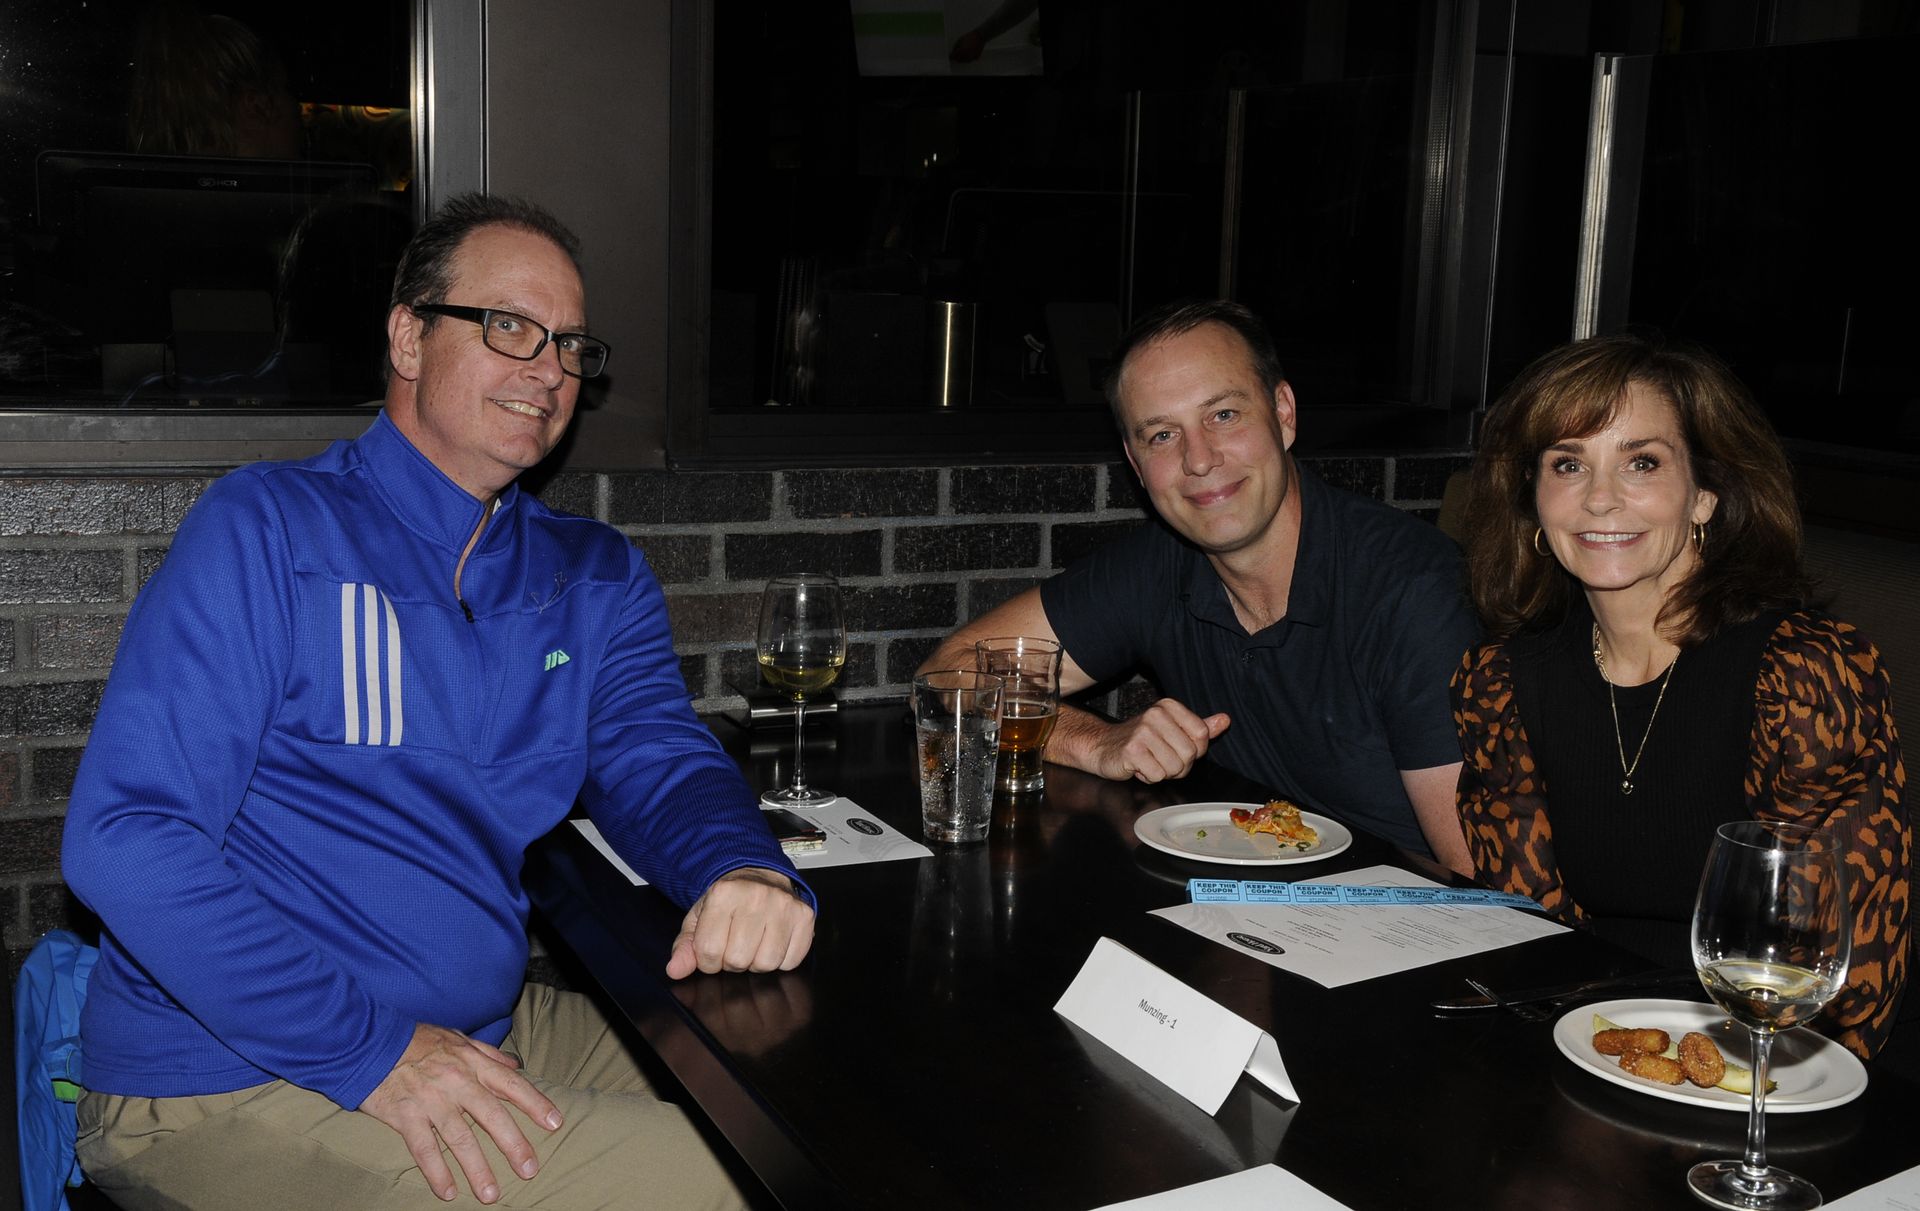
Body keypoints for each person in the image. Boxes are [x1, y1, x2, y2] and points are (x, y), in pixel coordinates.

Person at [61, 193, 817, 1209]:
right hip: (223, 1074)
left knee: (802, 1102)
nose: (548, 369)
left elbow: (658, 758)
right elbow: (127, 838)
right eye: (508, 326)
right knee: (735, 1188)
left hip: (476, 1023)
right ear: (409, 336)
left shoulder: (590, 573)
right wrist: (373, 1048)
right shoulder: (270, 530)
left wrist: (742, 867)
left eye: (571, 346)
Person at [1452, 331, 1910, 1058]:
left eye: (1641, 461)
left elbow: (1843, 980)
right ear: (1534, 499)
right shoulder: (1500, 682)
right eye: (1568, 463)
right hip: (1600, 1042)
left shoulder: (1803, 674)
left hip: (1773, 1065)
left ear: (1704, 494)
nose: (1601, 497)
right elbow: (1532, 938)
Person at [918, 299, 1478, 873]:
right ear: (1136, 466)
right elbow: (949, 674)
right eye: (1163, 435)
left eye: (1224, 415)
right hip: (1250, 903)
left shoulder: (1415, 592)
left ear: (1283, 413)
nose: (1200, 459)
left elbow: (1481, 883)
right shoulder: (1159, 566)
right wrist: (1096, 742)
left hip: (1404, 923)